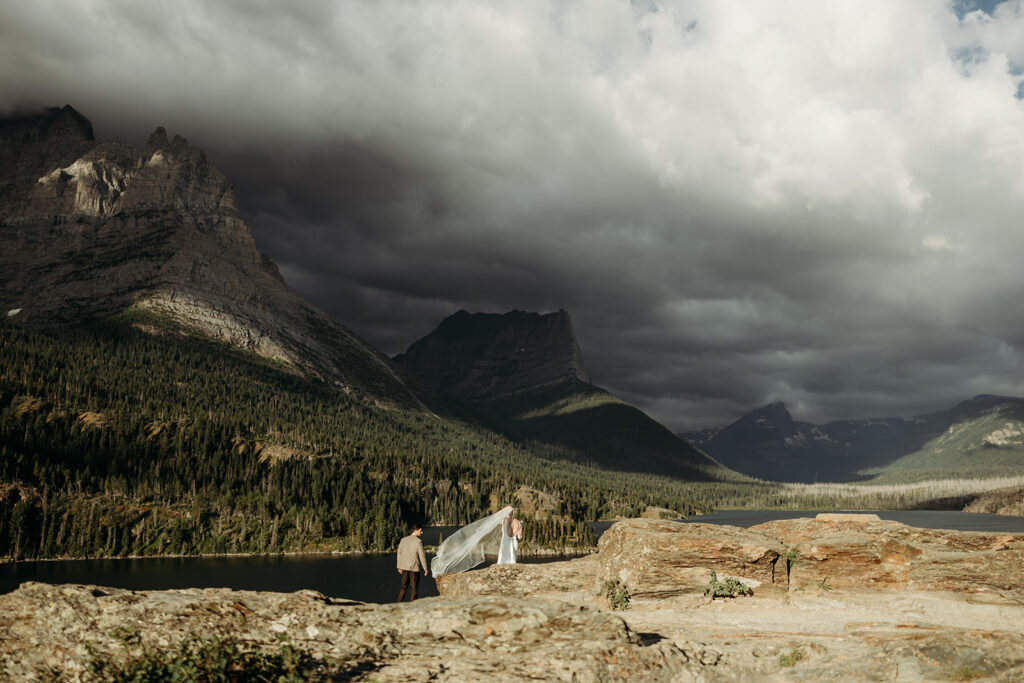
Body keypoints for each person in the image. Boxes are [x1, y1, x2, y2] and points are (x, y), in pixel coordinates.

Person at [396, 523, 429, 601]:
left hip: (404, 567)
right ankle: (412, 605)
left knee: (403, 587)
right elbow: (422, 556)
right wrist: (425, 568)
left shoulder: (403, 540)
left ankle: (398, 603)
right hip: (414, 568)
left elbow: (399, 553)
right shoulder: (418, 541)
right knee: (414, 588)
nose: (422, 532)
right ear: (416, 530)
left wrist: (399, 566)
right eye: (420, 531)